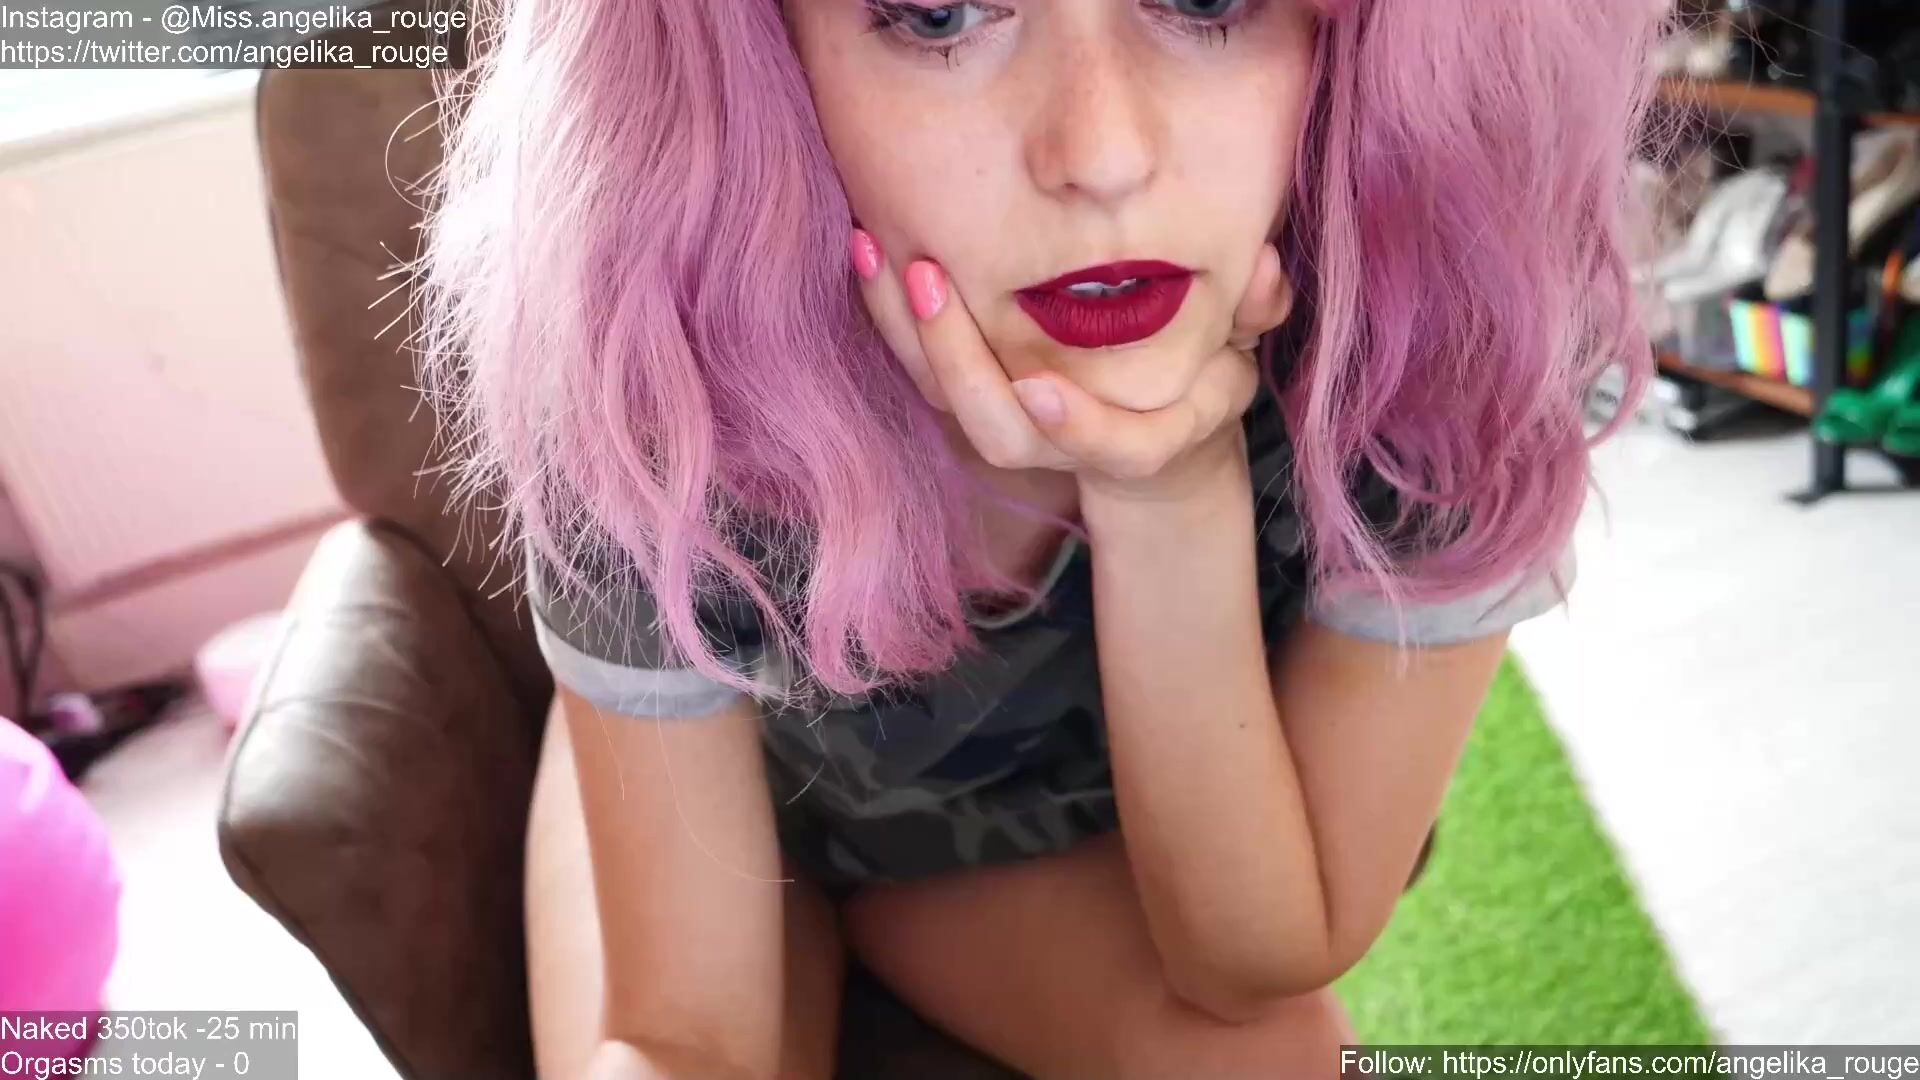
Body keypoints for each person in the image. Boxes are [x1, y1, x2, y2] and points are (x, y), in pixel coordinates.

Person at [416, 1, 1663, 1077]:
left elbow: (1264, 958)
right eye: (937, 12)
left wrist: (1165, 499)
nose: (1102, 154)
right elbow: (685, 1025)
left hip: (1010, 857)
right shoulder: (647, 363)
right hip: (718, 778)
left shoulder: (1460, 353)